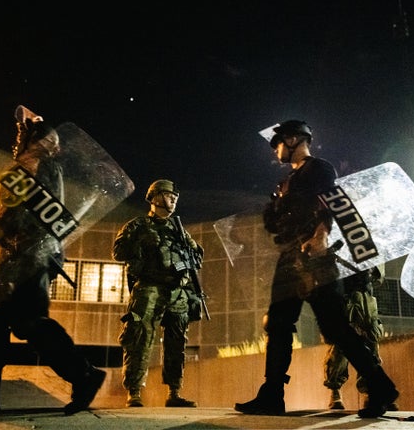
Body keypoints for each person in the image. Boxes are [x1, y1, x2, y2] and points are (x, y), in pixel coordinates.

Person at [0, 109, 106, 415]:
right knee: (18, 321)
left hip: (28, 256)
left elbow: (33, 212)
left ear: (38, 141)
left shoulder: (39, 165)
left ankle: (79, 375)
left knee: (4, 320)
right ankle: (80, 375)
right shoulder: (35, 165)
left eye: (25, 137)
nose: (19, 141)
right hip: (28, 255)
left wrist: (2, 226)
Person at [234, 120, 398, 418]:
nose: (276, 151)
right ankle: (272, 394)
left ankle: (379, 385)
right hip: (289, 260)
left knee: (335, 326)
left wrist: (322, 232)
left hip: (314, 259)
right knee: (278, 325)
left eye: (279, 143)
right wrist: (273, 207)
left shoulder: (318, 169)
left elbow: (333, 202)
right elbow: (273, 225)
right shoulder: (284, 184)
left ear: (295, 139)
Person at [112, 179, 202, 408]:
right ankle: (134, 392)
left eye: (174, 196)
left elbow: (196, 258)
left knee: (177, 341)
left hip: (177, 290)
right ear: (155, 197)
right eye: (168, 194)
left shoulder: (179, 229)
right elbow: (118, 252)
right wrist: (141, 243)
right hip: (149, 286)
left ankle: (174, 391)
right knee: (140, 337)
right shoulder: (138, 225)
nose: (173, 199)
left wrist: (192, 260)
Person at [323, 266, 393, 411]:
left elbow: (378, 272)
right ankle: (335, 390)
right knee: (340, 344)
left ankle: (371, 390)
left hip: (364, 290)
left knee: (371, 338)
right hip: (341, 289)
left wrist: (374, 269)